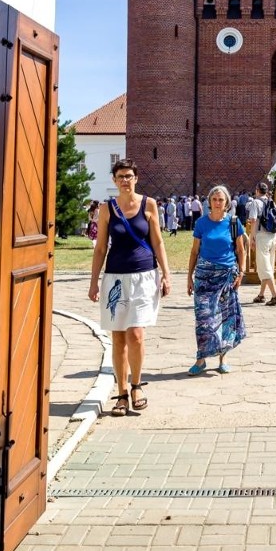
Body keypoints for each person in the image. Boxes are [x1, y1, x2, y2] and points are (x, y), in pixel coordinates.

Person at [88, 159, 171, 416]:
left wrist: (166, 275)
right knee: (118, 337)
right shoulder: (106, 209)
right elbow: (101, 247)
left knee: (136, 334)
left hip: (144, 277)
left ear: (136, 178)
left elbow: (157, 243)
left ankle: (137, 385)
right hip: (115, 278)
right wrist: (93, 282)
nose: (125, 180)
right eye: (121, 176)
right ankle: (121, 393)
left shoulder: (149, 204)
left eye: (129, 176)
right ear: (114, 180)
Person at [186, 184, 247, 374]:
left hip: (226, 276)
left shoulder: (233, 223)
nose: (218, 202)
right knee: (203, 318)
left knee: (225, 316)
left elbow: (240, 250)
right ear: (209, 202)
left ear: (227, 202)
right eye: (214, 199)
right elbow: (195, 251)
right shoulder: (201, 223)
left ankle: (223, 357)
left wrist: (241, 273)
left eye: (221, 199)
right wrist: (189, 277)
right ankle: (201, 358)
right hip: (204, 276)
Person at [246, 180, 276, 305]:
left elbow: (253, 220)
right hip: (273, 237)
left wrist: (252, 238)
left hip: (261, 236)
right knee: (268, 266)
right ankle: (261, 295)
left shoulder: (256, 202)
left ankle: (275, 295)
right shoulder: (272, 203)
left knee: (265, 267)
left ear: (257, 190)